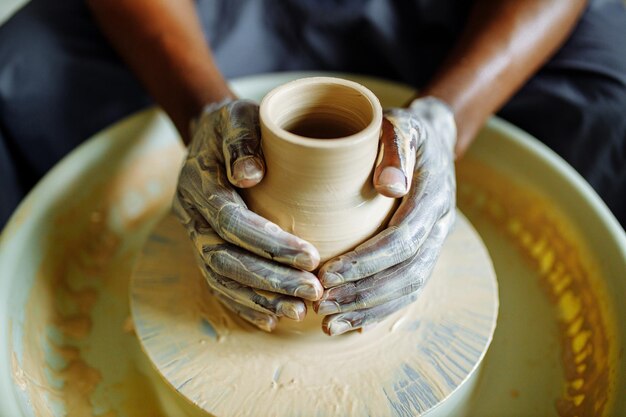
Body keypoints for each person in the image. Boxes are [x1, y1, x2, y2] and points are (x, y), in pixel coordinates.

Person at [0, 0, 624, 334]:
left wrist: (448, 115)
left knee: (612, 114)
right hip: (224, 14)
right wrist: (202, 111)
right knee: (20, 70)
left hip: (448, 18)